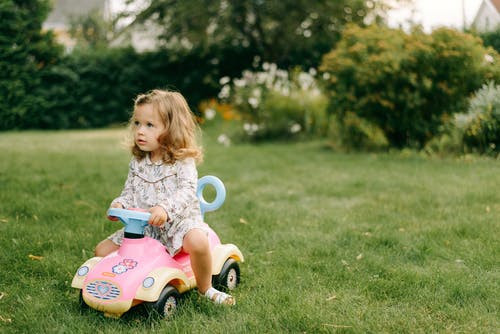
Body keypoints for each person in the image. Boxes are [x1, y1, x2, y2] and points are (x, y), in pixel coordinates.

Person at [94, 89, 235, 306]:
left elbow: (187, 191)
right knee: (101, 251)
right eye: (137, 123)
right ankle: (117, 287)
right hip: (145, 227)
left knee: (198, 241)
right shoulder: (139, 161)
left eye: (150, 125)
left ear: (171, 129)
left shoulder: (181, 161)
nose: (141, 131)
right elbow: (130, 191)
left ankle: (206, 288)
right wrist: (120, 203)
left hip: (178, 223)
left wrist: (165, 208)